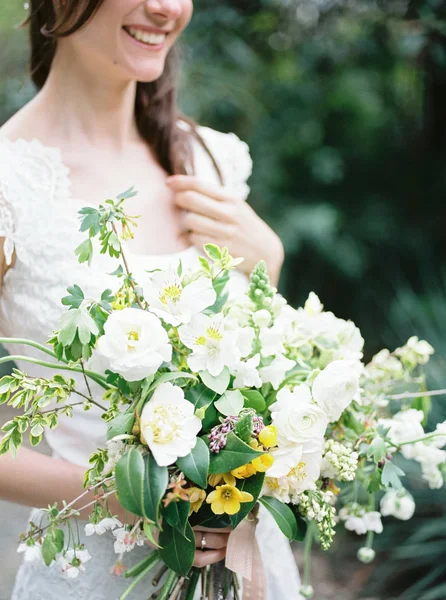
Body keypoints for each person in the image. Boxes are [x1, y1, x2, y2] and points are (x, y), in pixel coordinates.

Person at [0, 1, 301, 598]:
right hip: (98, 569)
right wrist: (125, 494)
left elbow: (262, 368)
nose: (166, 7)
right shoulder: (9, 184)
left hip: (248, 565)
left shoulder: (209, 160)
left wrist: (268, 262)